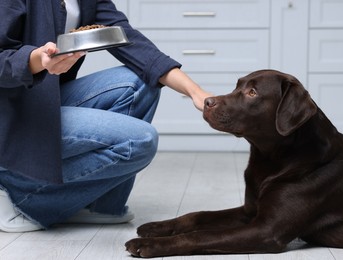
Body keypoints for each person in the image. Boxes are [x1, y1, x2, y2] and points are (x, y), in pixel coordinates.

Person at [0, 0, 211, 232]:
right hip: (11, 116)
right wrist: (36, 61)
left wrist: (196, 92)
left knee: (140, 83)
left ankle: (100, 205)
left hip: (46, 100)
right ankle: (20, 198)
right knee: (139, 140)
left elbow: (131, 43)